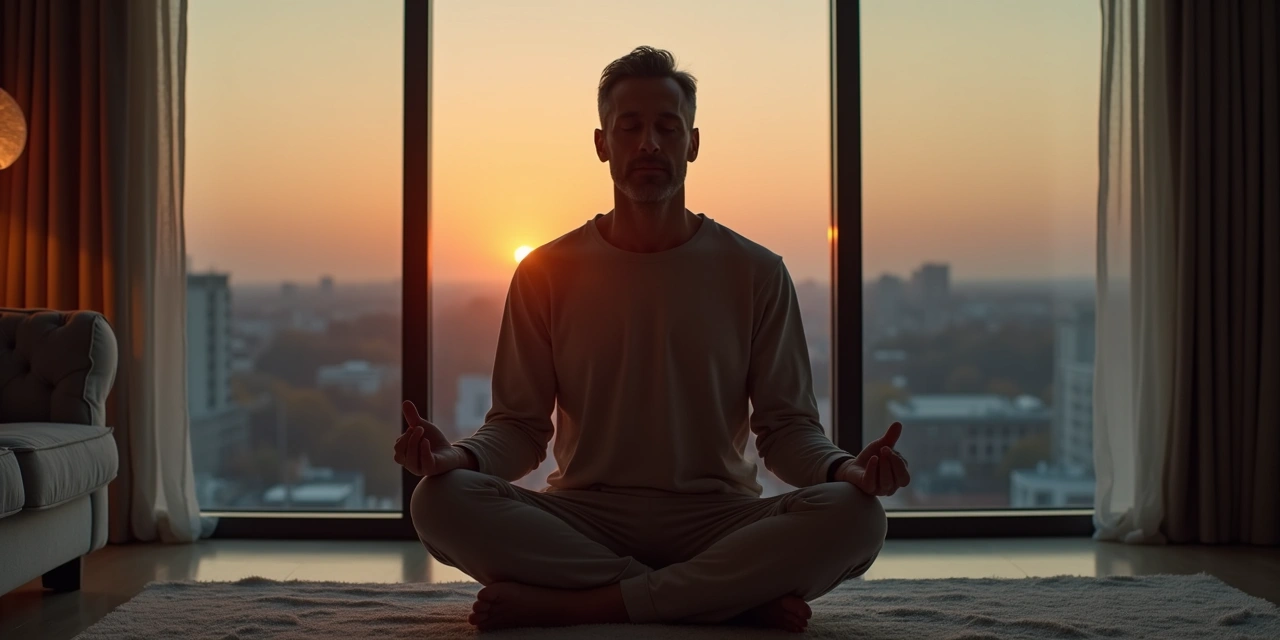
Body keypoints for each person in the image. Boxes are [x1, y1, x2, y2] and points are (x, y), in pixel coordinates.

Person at [393, 46, 909, 633]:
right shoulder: (544, 271)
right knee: (438, 501)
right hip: (585, 514)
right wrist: (454, 458)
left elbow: (787, 430)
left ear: (692, 142)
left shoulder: (757, 272)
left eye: (668, 127)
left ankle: (589, 603)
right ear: (601, 143)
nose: (649, 144)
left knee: (857, 518)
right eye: (629, 127)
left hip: (720, 517)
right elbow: (520, 427)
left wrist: (848, 472)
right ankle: (723, 597)